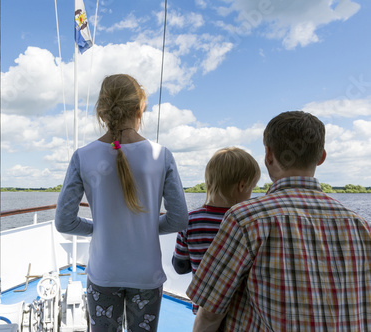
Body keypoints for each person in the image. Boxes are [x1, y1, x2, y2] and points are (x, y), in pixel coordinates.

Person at [187, 110, 371, 331]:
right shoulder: (360, 226)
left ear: (268, 155)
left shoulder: (245, 219)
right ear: (321, 157)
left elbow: (209, 313)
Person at [55, 74, 188, 332]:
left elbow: (65, 221)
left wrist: (99, 227)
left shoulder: (82, 157)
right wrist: (147, 226)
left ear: (101, 110)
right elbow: (179, 219)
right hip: (146, 276)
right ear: (140, 109)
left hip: (104, 274)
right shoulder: (162, 156)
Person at [172, 147, 260, 314]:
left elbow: (180, 267)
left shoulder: (190, 220)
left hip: (205, 308)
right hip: (243, 311)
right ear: (242, 186)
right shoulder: (249, 221)